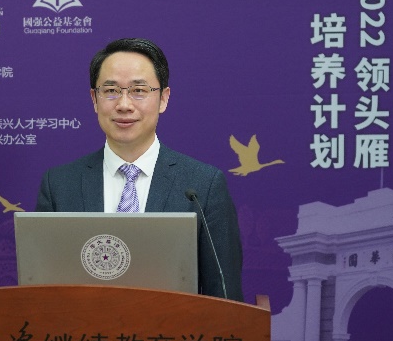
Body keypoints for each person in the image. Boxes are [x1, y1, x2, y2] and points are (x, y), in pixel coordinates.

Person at [35, 37, 243, 301]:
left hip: (173, 327)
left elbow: (224, 293)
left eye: (139, 90)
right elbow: (42, 290)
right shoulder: (60, 184)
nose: (124, 104)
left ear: (163, 99)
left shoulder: (203, 185)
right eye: (111, 90)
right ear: (95, 99)